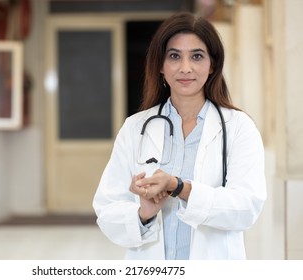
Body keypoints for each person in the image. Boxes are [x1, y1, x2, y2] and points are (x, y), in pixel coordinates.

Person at [92, 12, 266, 260]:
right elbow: (106, 210)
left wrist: (180, 188)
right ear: (161, 66)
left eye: (197, 56)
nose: (186, 68)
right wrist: (144, 214)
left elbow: (247, 207)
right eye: (174, 56)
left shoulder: (239, 127)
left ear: (212, 64)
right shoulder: (135, 128)